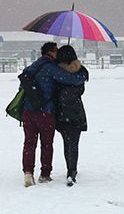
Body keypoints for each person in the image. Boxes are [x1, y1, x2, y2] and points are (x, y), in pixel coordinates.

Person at [21, 42, 88, 187]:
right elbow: (70, 79)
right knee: (46, 143)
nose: (58, 53)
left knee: (29, 143)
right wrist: (83, 74)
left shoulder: (32, 67)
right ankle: (45, 174)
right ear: (50, 52)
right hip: (45, 112)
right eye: (56, 50)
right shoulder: (50, 68)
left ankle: (28, 172)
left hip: (27, 111)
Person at [54, 45, 89, 187]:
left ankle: (70, 167)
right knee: (74, 143)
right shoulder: (80, 71)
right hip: (76, 111)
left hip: (62, 112)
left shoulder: (56, 72)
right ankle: (72, 170)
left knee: (66, 142)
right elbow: (81, 91)